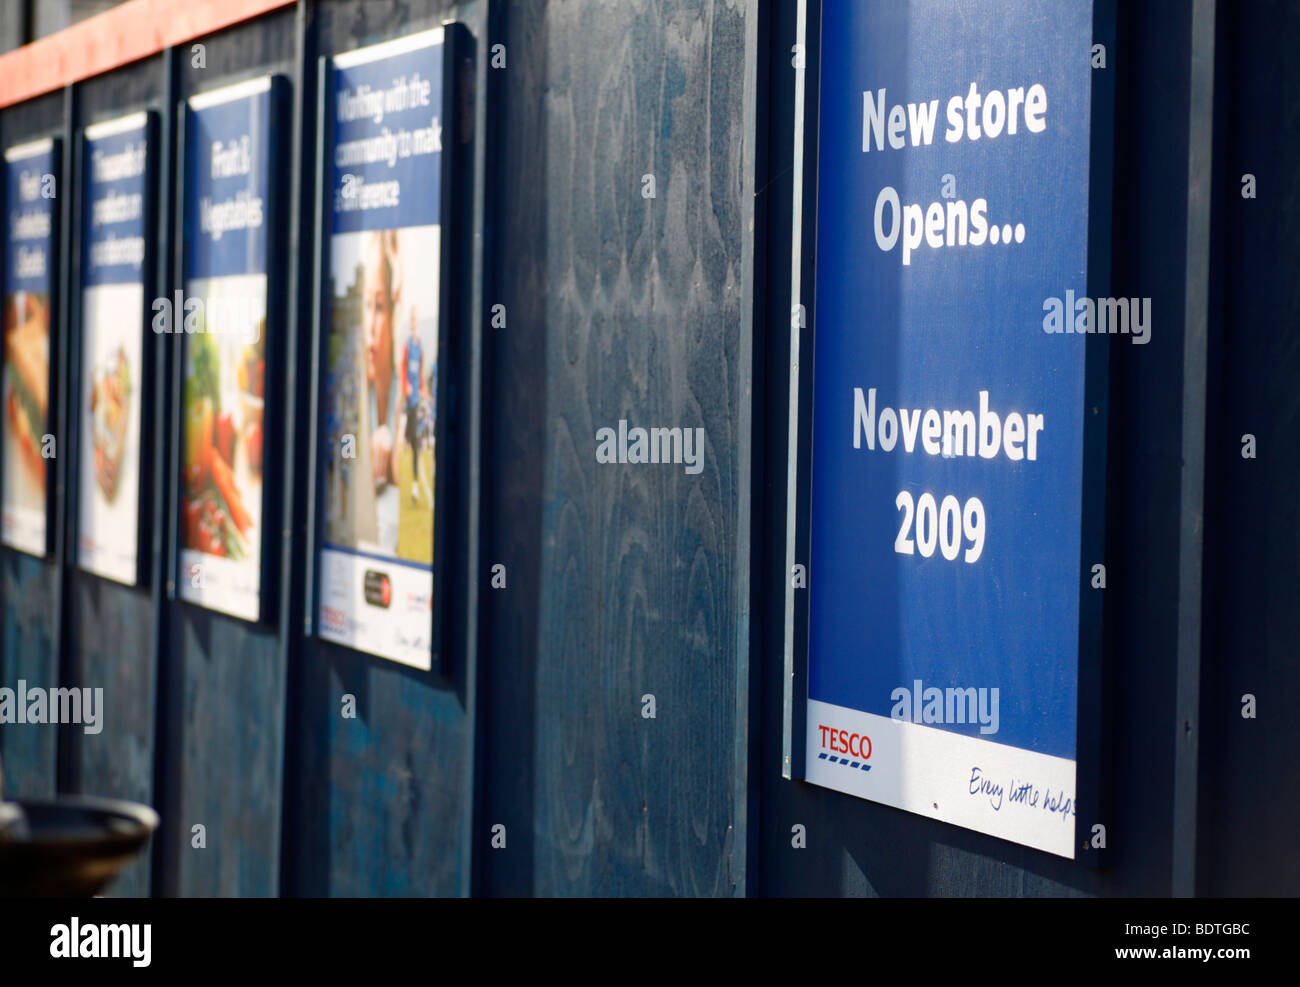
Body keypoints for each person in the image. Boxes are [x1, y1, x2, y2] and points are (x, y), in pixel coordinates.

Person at [401, 307, 424, 502]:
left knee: (415, 441)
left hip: (415, 400)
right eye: (412, 321)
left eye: (416, 321)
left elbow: (421, 370)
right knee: (408, 439)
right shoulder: (408, 345)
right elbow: (402, 368)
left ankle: (415, 486)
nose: (414, 325)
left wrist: (422, 389)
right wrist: (405, 385)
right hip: (407, 401)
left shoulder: (420, 346)